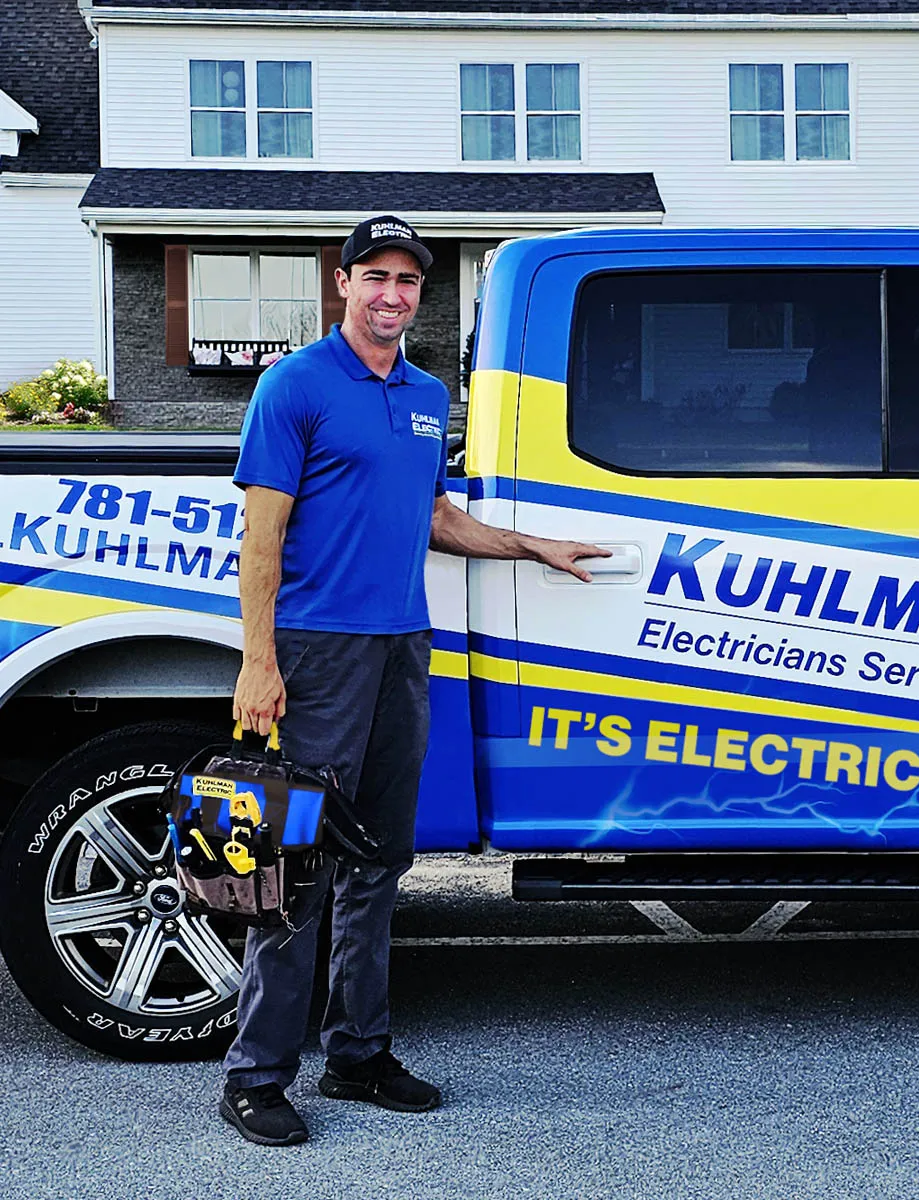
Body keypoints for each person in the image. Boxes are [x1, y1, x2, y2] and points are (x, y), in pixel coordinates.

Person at [221, 214, 607, 1146]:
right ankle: (255, 1075)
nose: (392, 294)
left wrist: (533, 547)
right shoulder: (294, 385)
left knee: (380, 860)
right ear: (342, 283)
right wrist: (258, 660)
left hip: (402, 647)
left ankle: (357, 1053)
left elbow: (436, 516)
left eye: (407, 280)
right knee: (294, 868)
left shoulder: (429, 395)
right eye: (377, 276)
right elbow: (262, 536)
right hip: (317, 653)